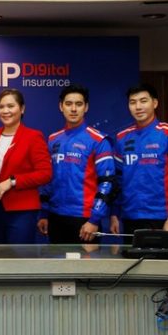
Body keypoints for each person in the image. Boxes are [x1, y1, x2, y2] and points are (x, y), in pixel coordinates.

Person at [38, 84, 115, 244]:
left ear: (86, 107)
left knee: (88, 261)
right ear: (61, 106)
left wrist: (94, 219)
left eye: (78, 104)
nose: (73, 109)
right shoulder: (53, 139)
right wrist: (44, 213)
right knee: (57, 261)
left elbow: (107, 182)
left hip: (85, 219)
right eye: (68, 104)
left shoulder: (99, 140)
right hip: (56, 217)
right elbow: (48, 181)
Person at [0, 88, 52, 244]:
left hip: (21, 210)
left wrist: (12, 181)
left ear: (22, 108)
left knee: (19, 256)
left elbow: (45, 173)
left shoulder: (33, 136)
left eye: (10, 106)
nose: (5, 111)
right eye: (1, 107)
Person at [110, 83, 168, 234]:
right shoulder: (122, 137)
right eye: (133, 102)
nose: (138, 107)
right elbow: (118, 179)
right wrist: (115, 214)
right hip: (130, 216)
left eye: (143, 101)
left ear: (154, 103)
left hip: (162, 217)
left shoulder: (167, 134)